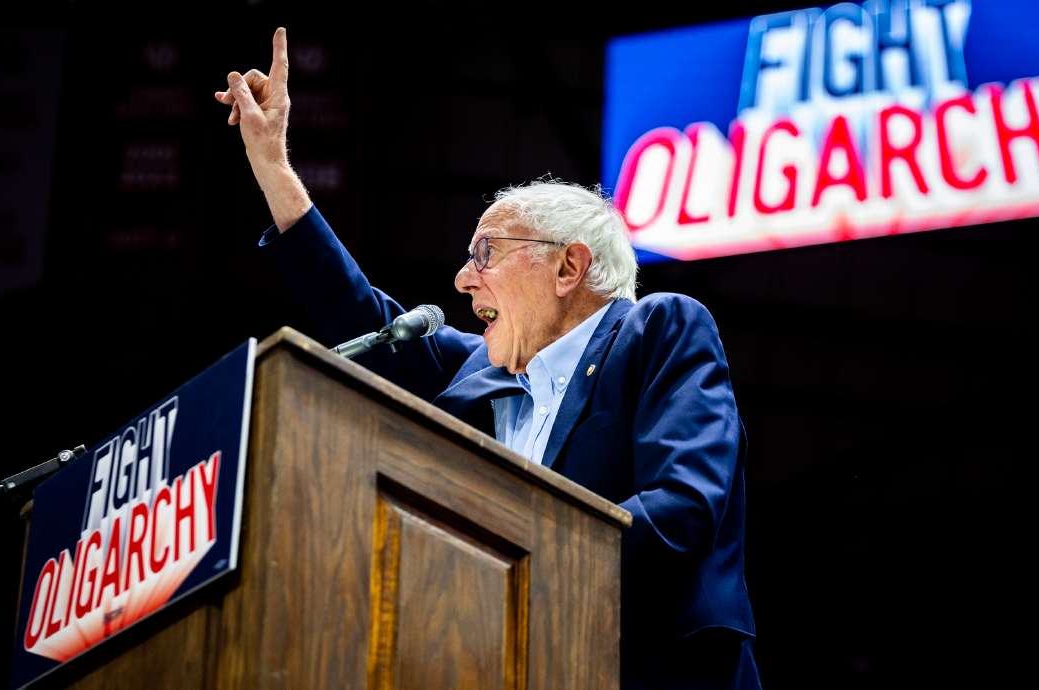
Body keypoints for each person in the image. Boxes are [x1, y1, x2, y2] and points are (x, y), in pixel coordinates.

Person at [215, 28, 760, 690]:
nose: (463, 280)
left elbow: (685, 508)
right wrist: (273, 164)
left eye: (487, 253)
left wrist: (518, 560)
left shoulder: (659, 329)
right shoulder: (475, 370)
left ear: (568, 266)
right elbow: (363, 316)